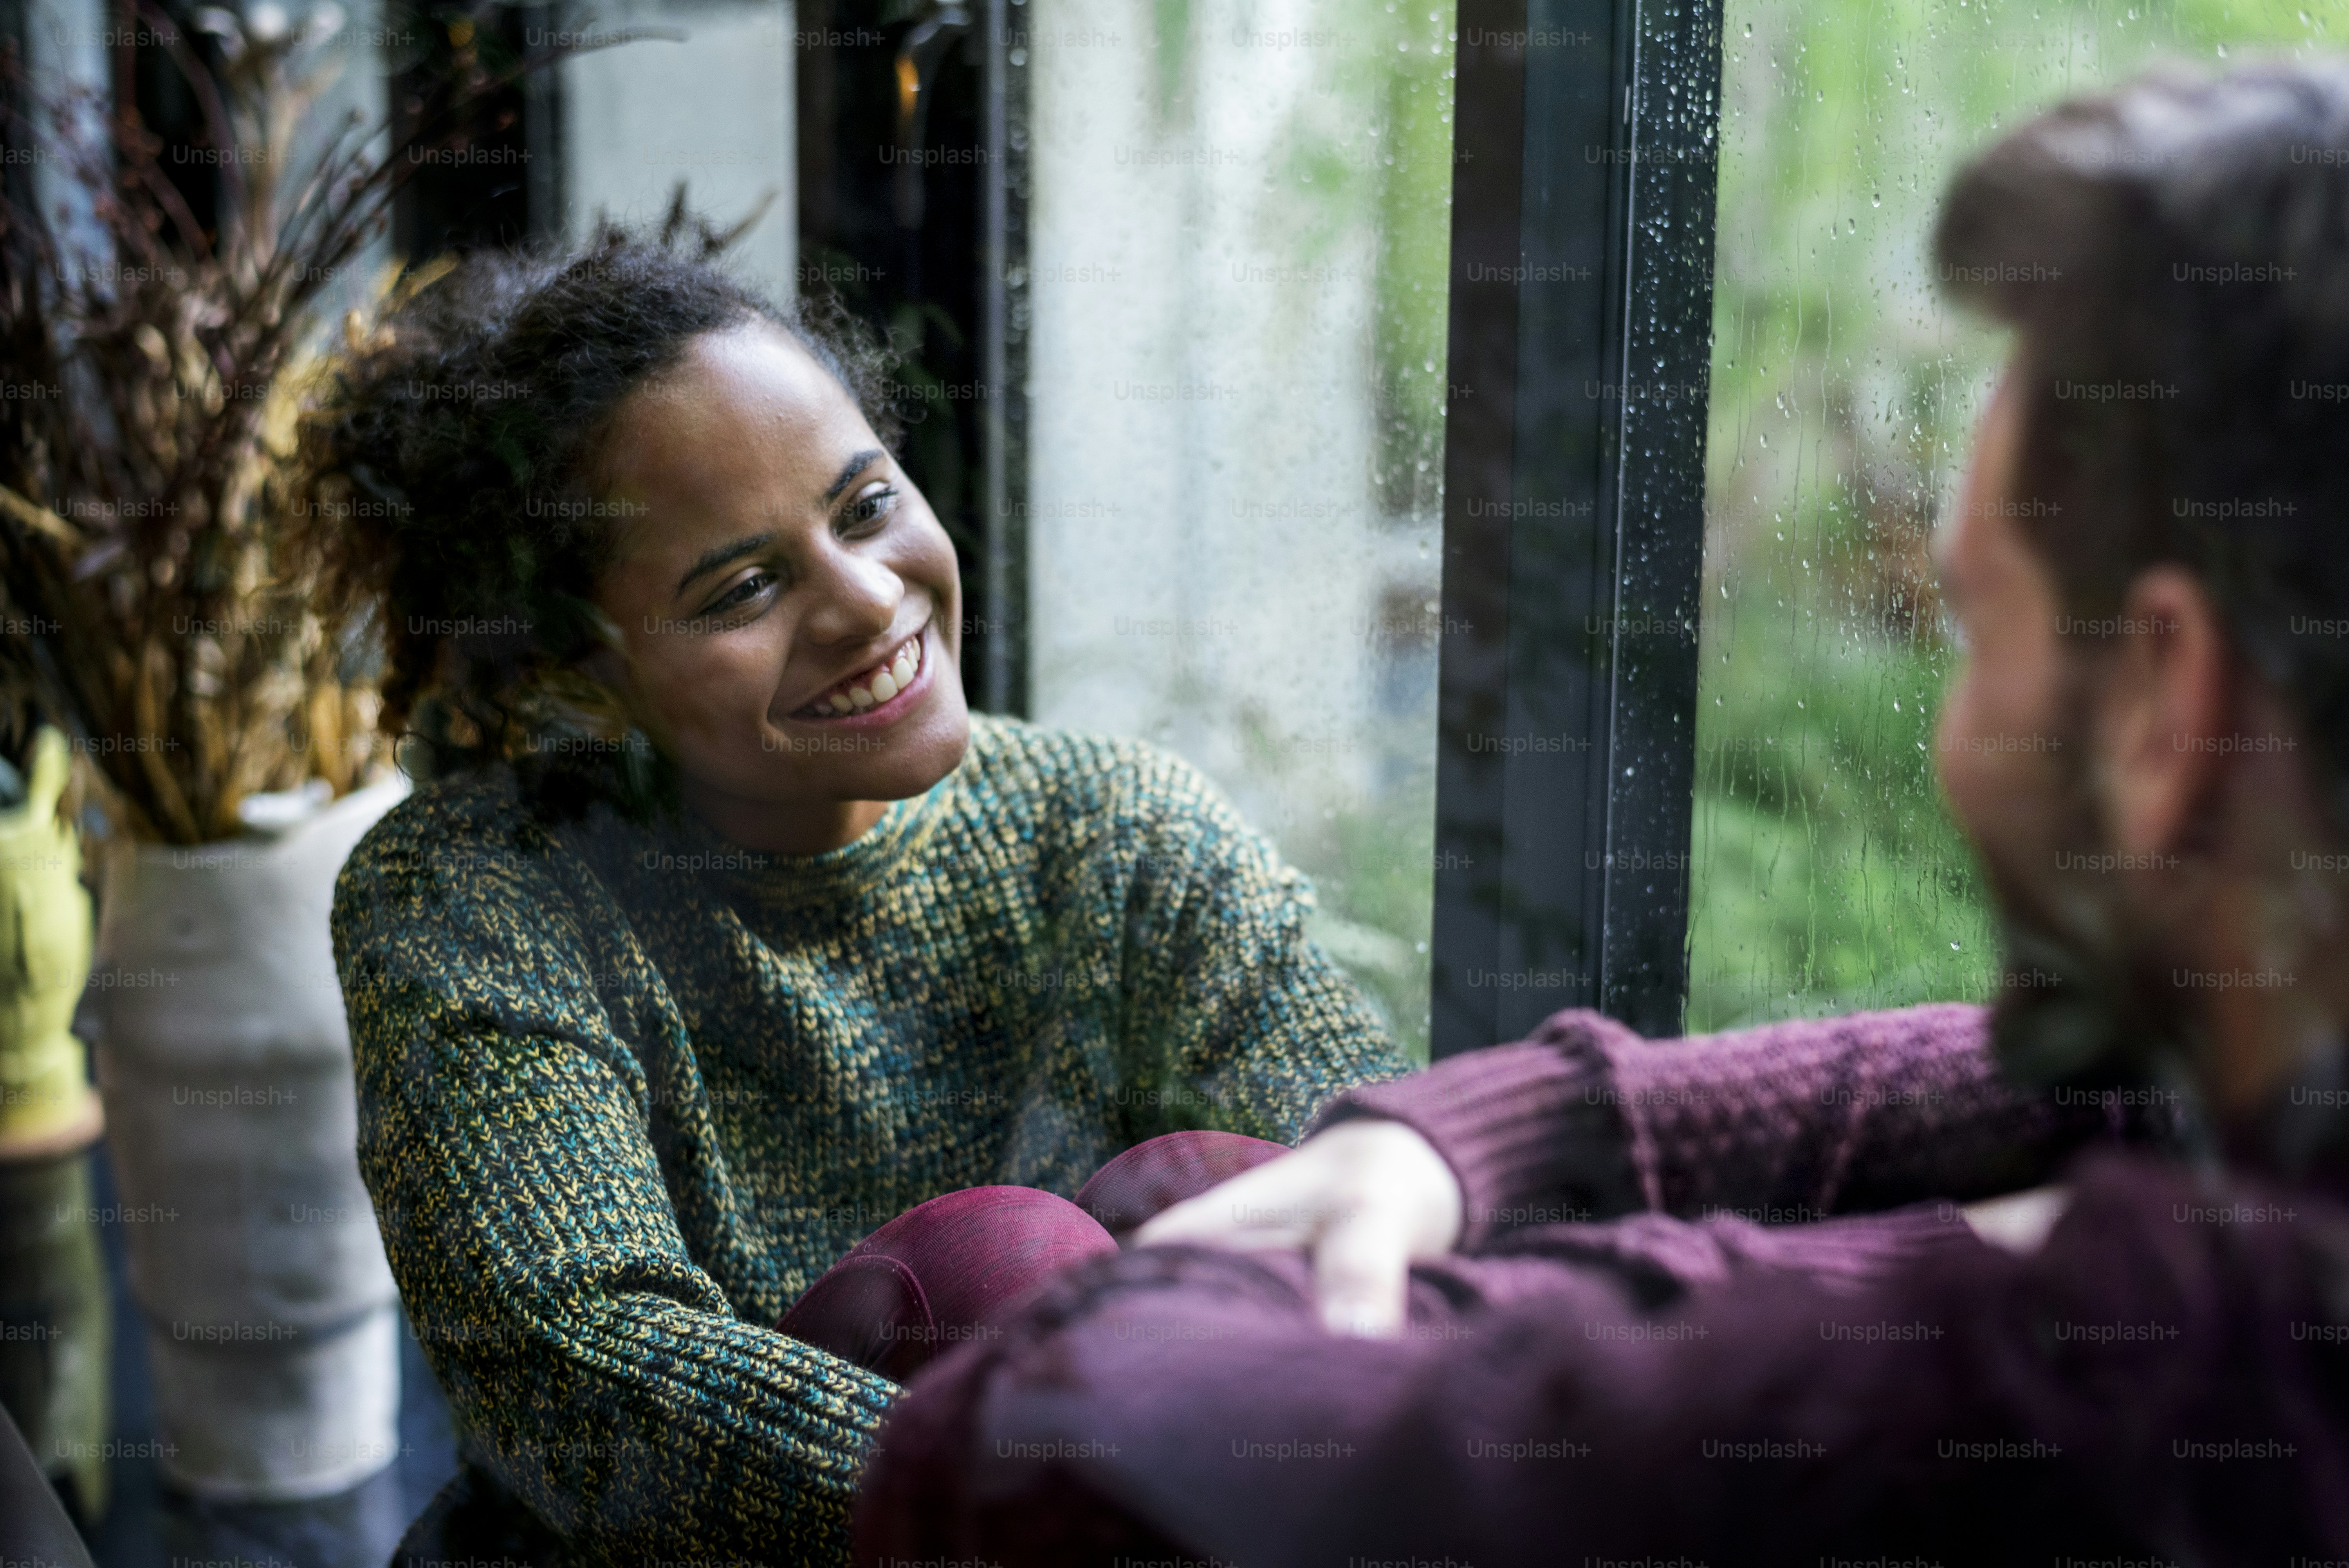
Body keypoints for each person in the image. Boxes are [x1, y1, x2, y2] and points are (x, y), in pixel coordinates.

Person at [855, 57, 2349, 1566]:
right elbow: (2044, 1079)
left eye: (1972, 628)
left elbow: (1001, 1459)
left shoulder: (2135, 1380)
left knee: (1006, 1264)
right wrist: (1503, 1130)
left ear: (2167, 708)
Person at [302, 218, 1414, 1566]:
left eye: (865, 505)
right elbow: (579, 1363)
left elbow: (1386, 1176)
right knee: (1001, 1262)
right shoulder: (479, 896)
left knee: (1233, 1198)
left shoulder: (1115, 832)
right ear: (584, 674)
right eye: (746, 587)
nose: (866, 601)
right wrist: (1046, 1503)